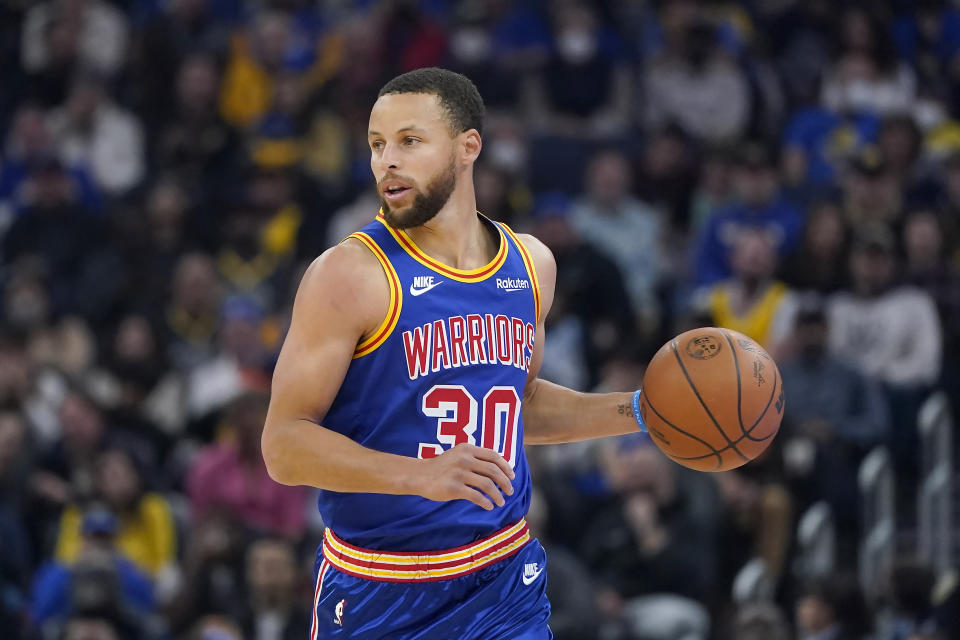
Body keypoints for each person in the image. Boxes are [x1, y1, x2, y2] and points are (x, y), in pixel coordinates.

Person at [261, 68, 647, 639]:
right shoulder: (349, 275)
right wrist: (417, 475)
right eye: (376, 144)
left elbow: (520, 405)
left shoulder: (531, 264)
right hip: (379, 587)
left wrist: (638, 411)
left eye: (409, 141)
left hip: (502, 581)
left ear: (469, 147)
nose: (385, 161)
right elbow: (283, 446)